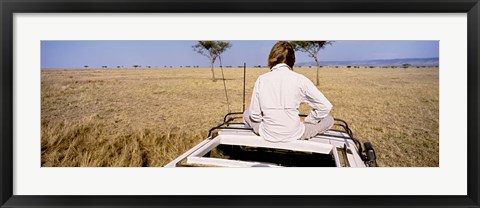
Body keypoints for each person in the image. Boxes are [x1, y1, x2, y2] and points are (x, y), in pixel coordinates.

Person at [243, 41, 334, 142]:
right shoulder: (300, 79)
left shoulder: (262, 79)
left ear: (271, 58)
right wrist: (307, 120)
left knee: (246, 113)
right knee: (329, 119)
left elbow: (255, 116)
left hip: (267, 133)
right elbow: (325, 106)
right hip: (295, 133)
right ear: (292, 60)